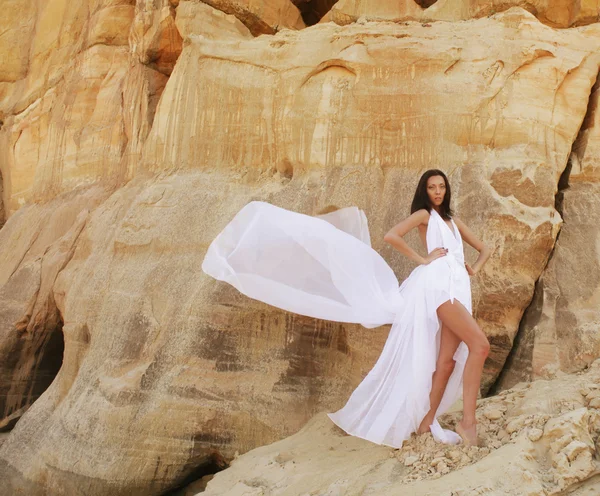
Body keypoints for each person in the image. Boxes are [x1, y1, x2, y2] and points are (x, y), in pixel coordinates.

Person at [202, 169, 491, 448]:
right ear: (424, 191)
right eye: (432, 187)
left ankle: (426, 422)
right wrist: (423, 258)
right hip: (438, 286)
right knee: (479, 345)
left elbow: (485, 249)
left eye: (441, 187)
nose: (437, 192)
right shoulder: (424, 215)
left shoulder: (453, 220)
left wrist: (474, 269)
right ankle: (469, 422)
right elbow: (391, 235)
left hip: (458, 287)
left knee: (447, 362)